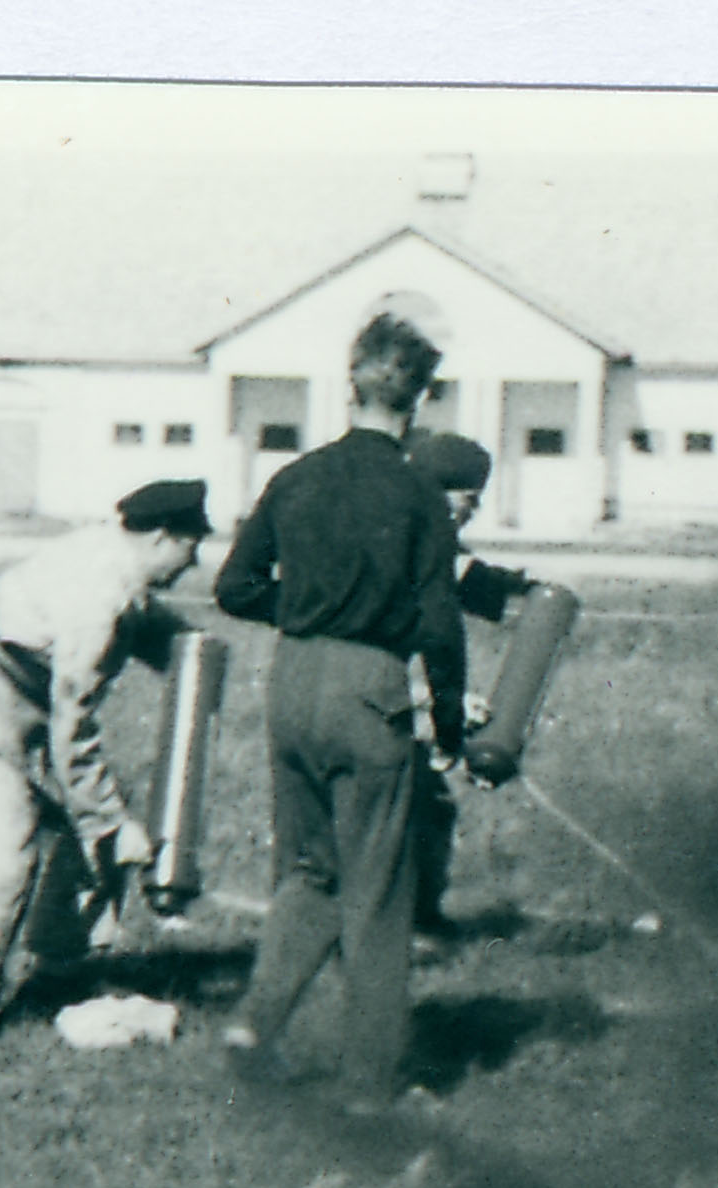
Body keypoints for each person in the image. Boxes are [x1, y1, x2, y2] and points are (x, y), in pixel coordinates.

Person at [210, 311, 467, 1101]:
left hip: (291, 684)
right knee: (380, 889)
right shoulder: (419, 494)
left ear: (349, 381)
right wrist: (450, 725)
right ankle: (369, 1081)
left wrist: (305, 607)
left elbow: (233, 588)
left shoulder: (294, 477)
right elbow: (439, 627)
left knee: (309, 870)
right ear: (418, 399)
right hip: (368, 688)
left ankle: (255, 1022)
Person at [0, 478, 213, 1037]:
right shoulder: (97, 599)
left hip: (27, 718)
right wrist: (112, 822)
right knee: (1, 862)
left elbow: (147, 618)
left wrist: (198, 654)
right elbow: (75, 726)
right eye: (191, 549)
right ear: (163, 538)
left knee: (80, 847)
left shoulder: (114, 553)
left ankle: (58, 974)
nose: (191, 567)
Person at [398, 432, 551, 937]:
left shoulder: (416, 534)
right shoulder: (408, 544)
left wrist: (526, 587)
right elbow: (434, 622)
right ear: (441, 492)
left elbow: (468, 576)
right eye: (470, 499)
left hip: (379, 698)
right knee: (412, 807)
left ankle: (415, 917)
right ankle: (403, 923)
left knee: (428, 808)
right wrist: (436, 707)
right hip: (371, 698)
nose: (475, 510)